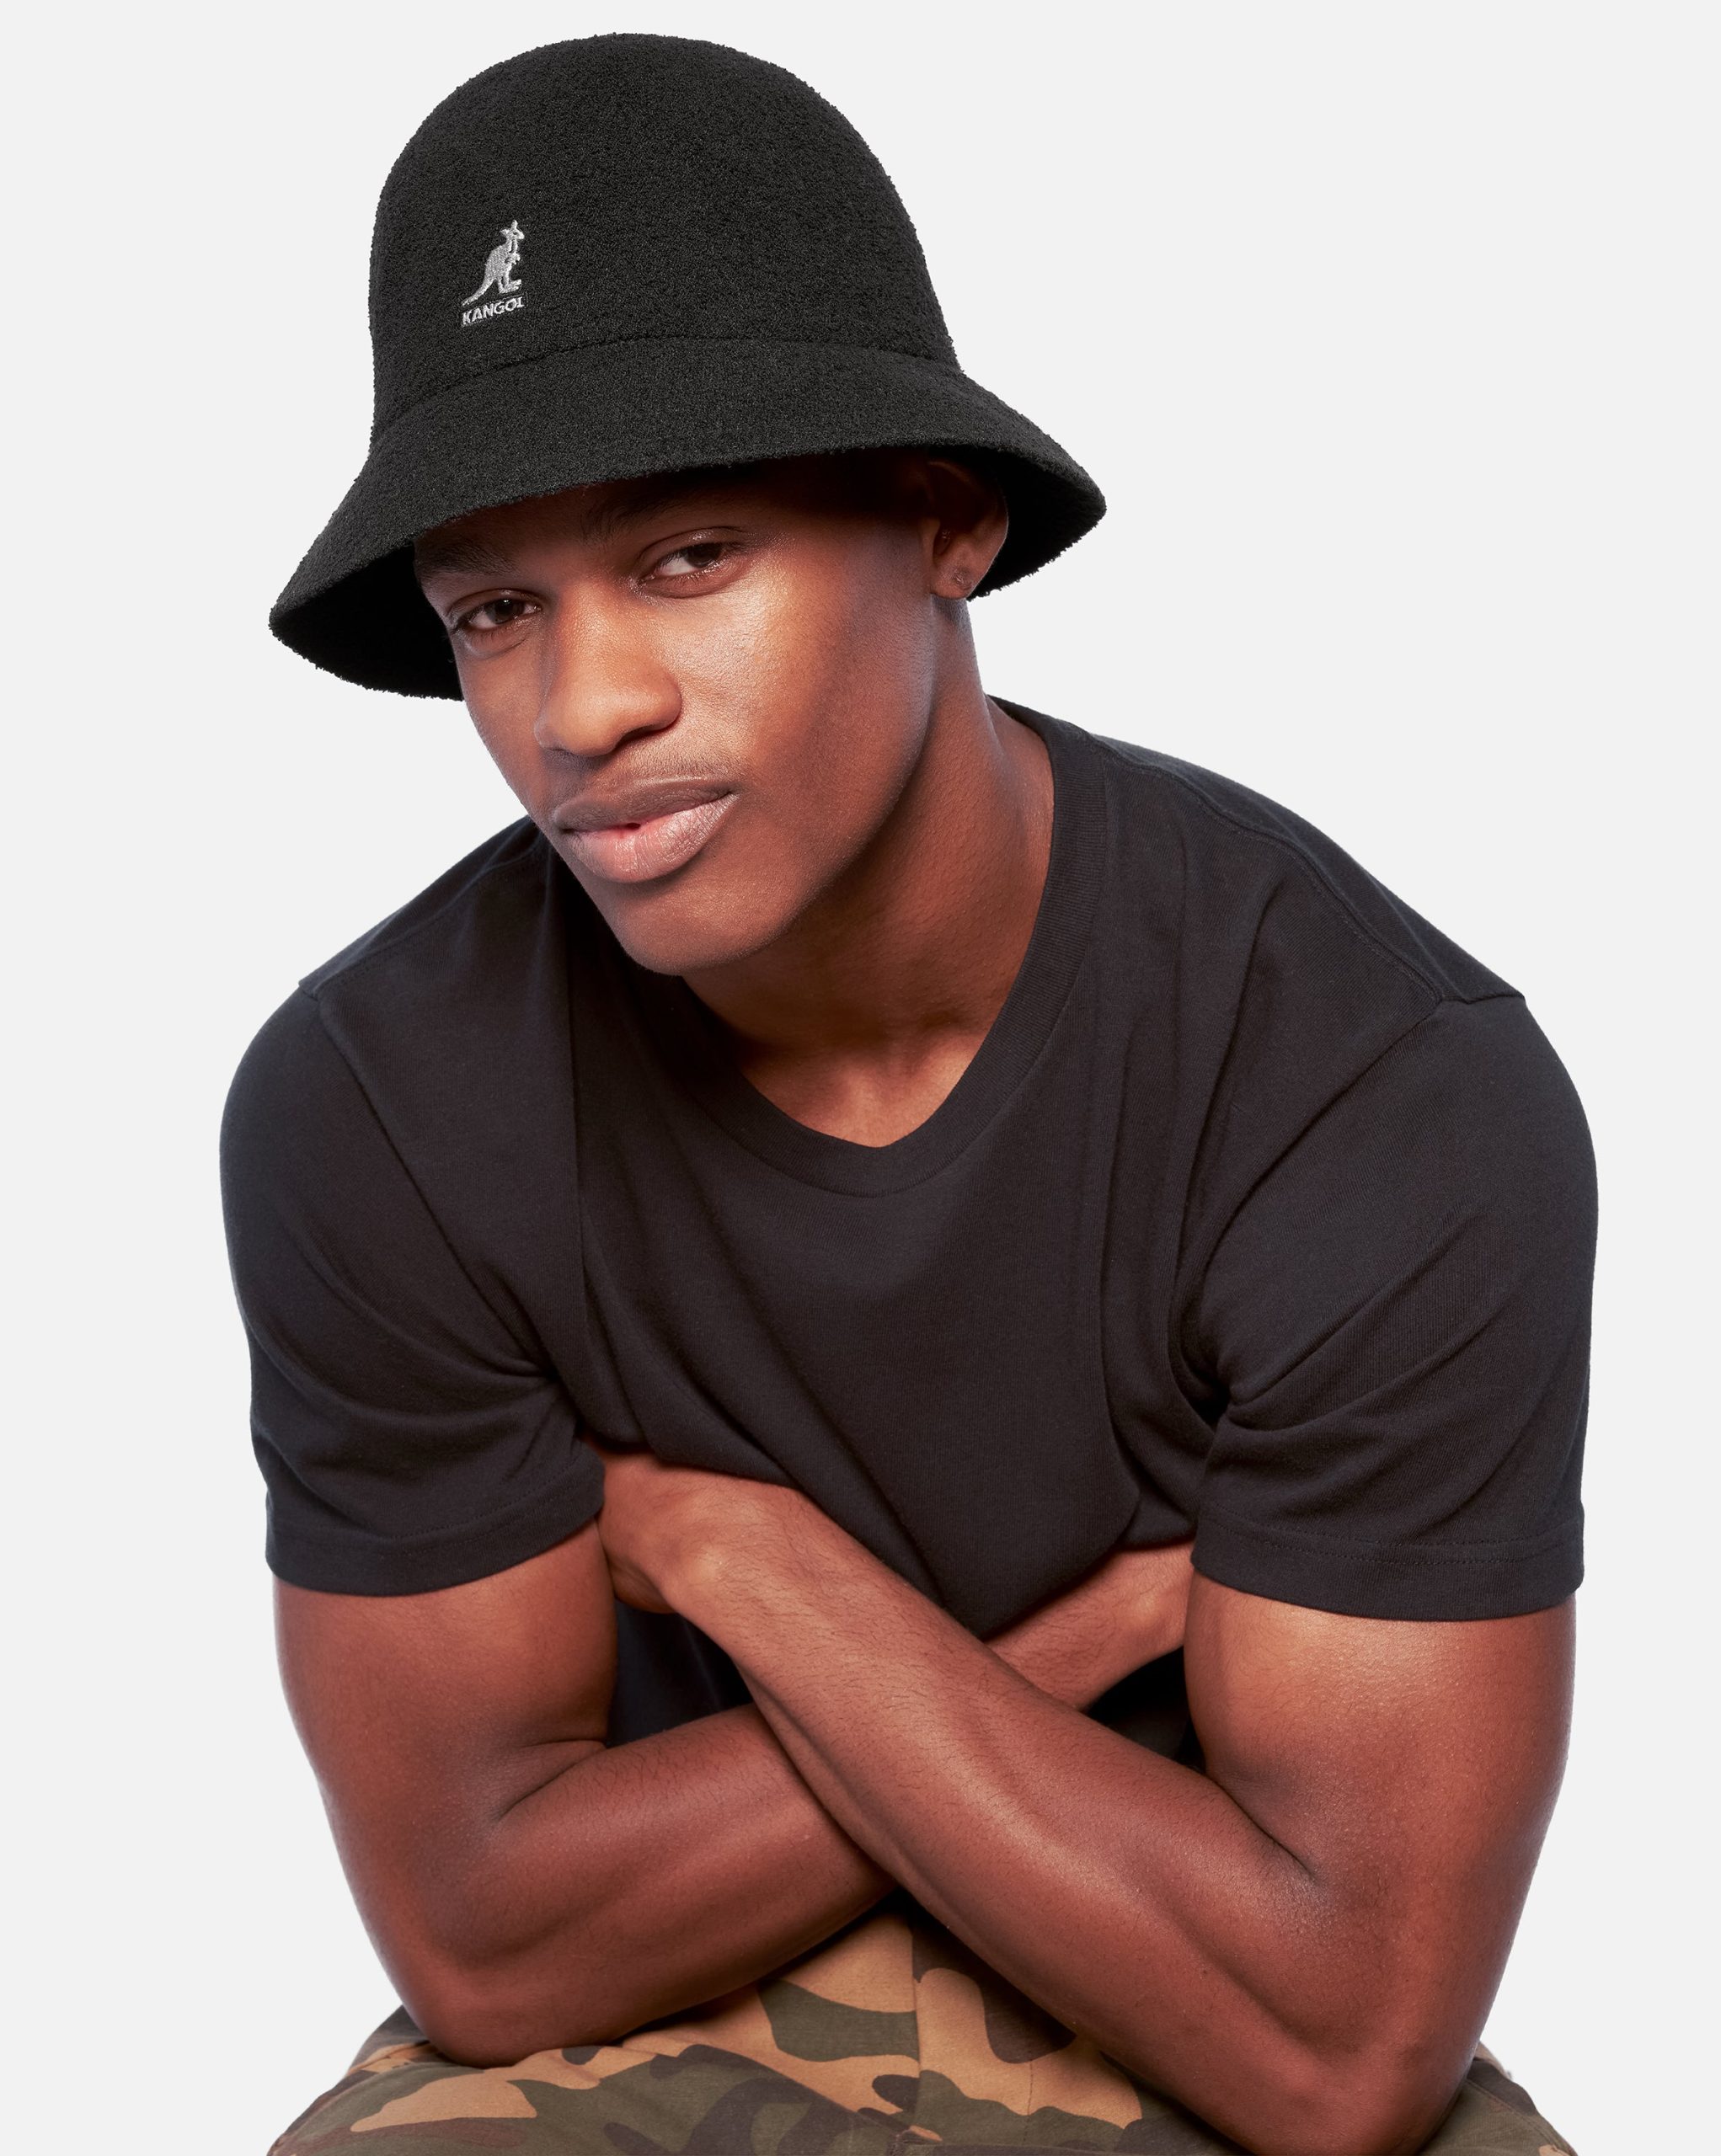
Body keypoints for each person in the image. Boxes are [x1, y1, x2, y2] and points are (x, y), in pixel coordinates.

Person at [218, 32, 1594, 2156]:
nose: (583, 704)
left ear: (942, 518)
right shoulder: (377, 1101)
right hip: (653, 2009)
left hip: (1174, 1998)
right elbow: (489, 1940)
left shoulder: (1365, 1081)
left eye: (688, 554)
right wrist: (1070, 1634)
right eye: (495, 608)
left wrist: (751, 1563)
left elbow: (1330, 2049)